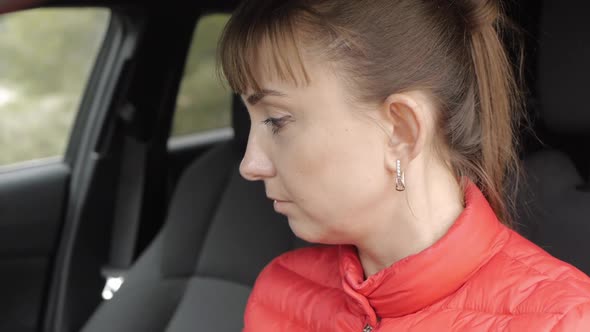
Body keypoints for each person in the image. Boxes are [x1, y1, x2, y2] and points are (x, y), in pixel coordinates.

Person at [217, 0, 590, 331]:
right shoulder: (280, 294)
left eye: (277, 121)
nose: (251, 165)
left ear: (401, 130)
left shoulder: (562, 321)